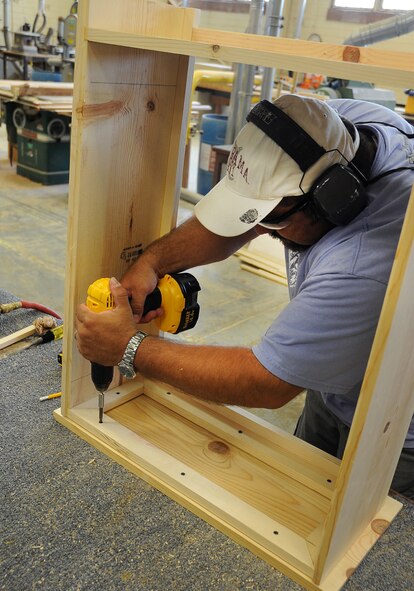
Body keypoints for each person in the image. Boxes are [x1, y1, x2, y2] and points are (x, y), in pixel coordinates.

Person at [76, 94, 414, 498]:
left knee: (361, 538)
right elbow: (243, 223)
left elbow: (266, 381)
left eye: (273, 219)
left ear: (333, 197)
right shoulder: (336, 128)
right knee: (298, 492)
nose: (264, 232)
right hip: (334, 389)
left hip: (396, 429)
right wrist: (151, 262)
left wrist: (128, 347)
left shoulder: (364, 264)